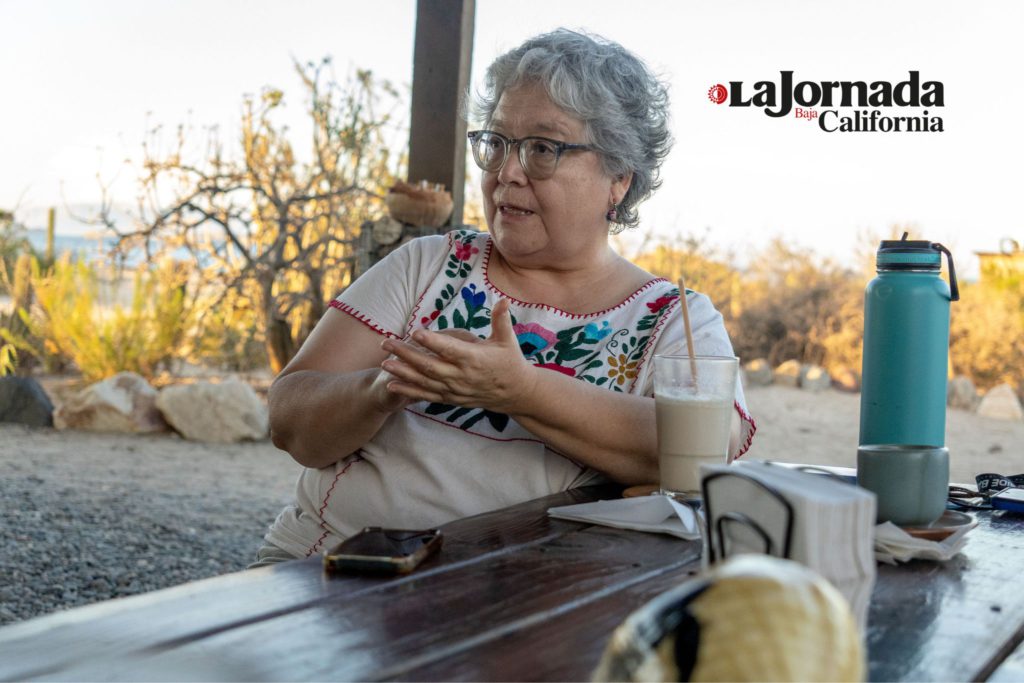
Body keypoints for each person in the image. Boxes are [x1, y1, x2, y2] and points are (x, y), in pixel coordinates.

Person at [256, 29, 756, 566]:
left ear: (618, 178)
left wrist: (519, 390)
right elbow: (288, 420)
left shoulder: (672, 315)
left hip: (528, 607)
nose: (507, 172)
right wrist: (384, 386)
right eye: (497, 143)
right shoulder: (429, 263)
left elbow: (710, 449)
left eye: (543, 148)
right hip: (334, 569)